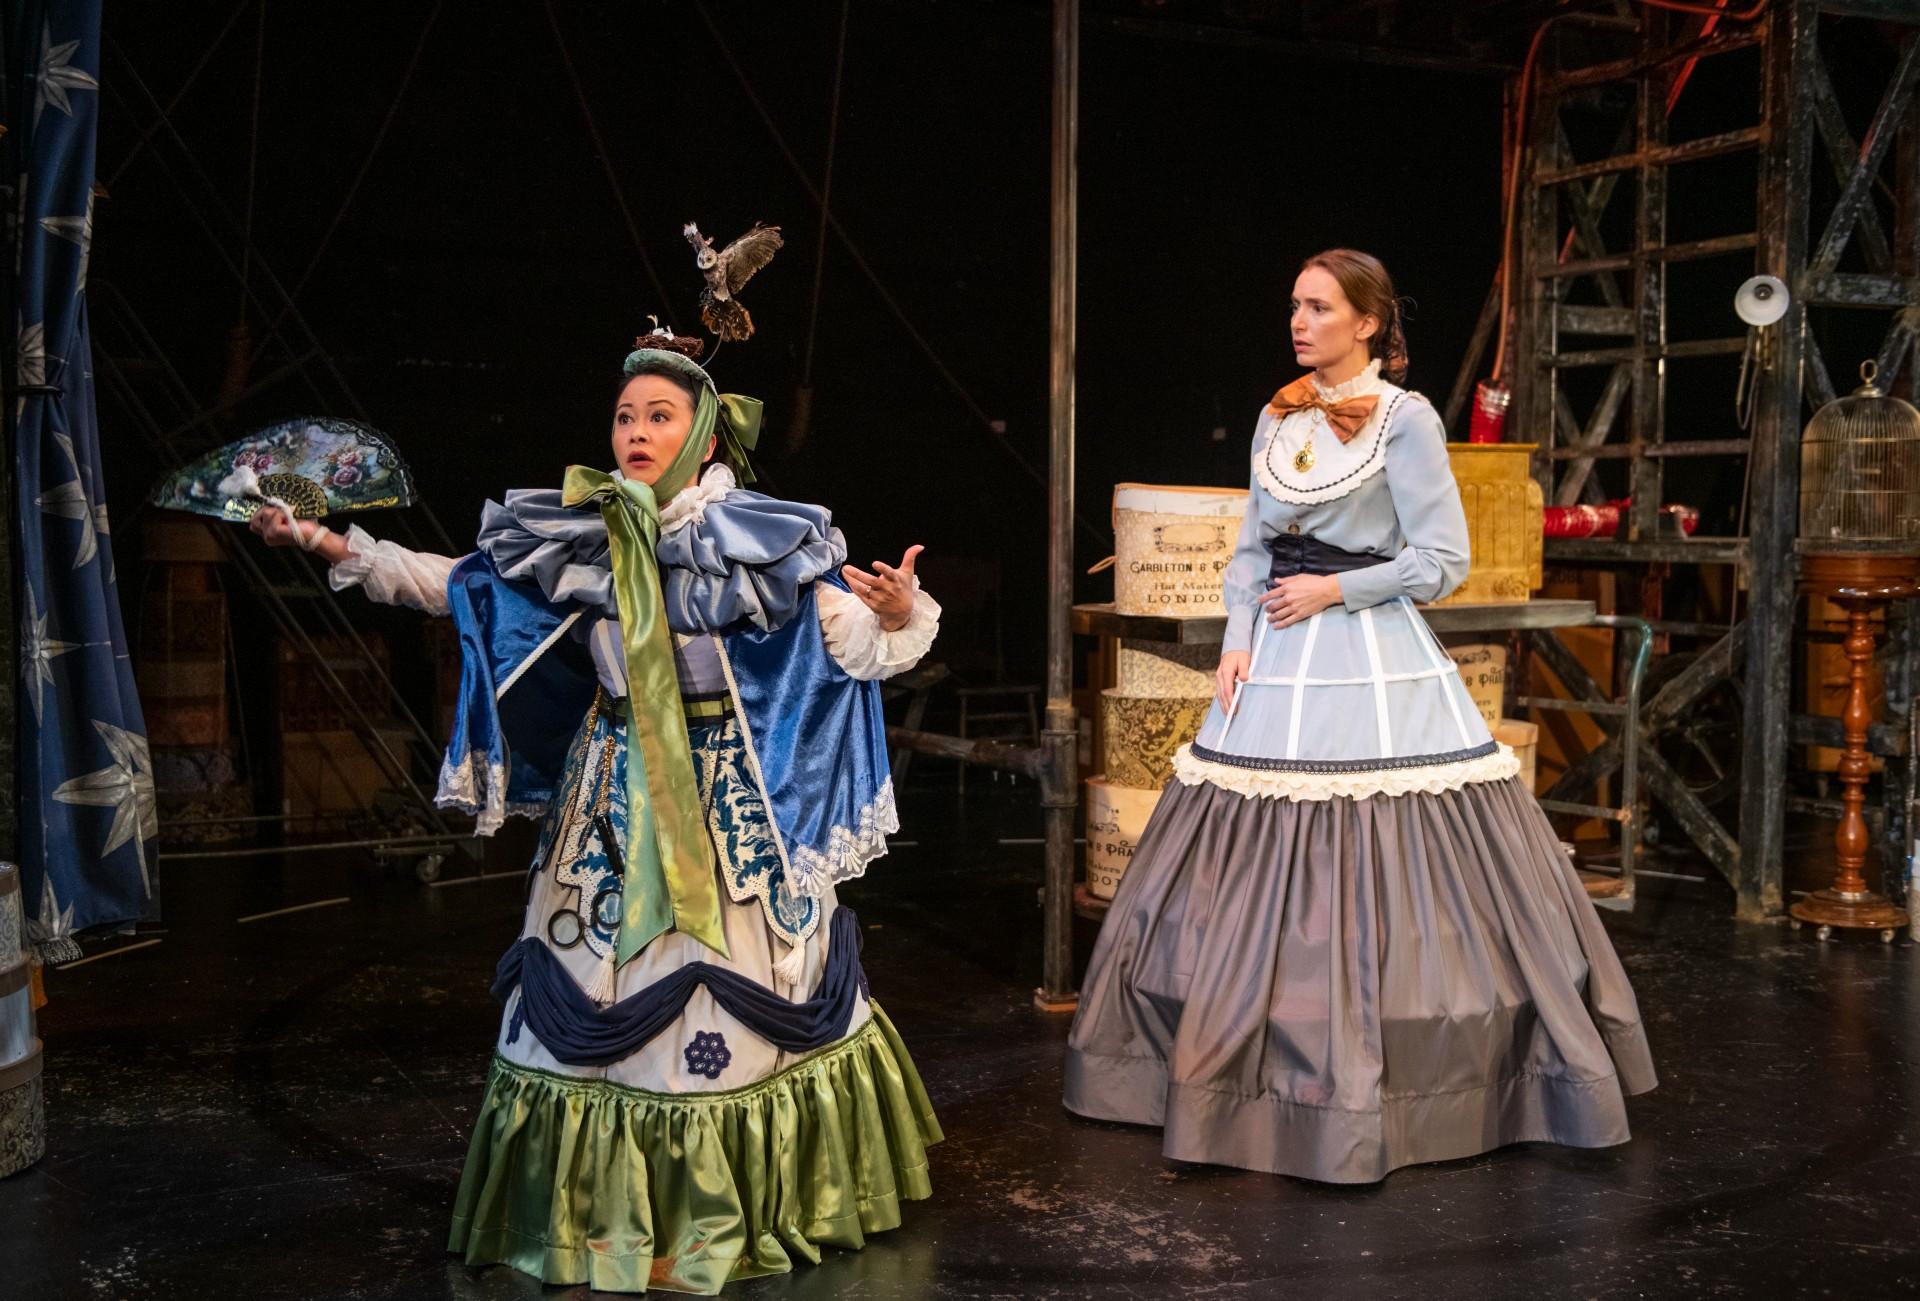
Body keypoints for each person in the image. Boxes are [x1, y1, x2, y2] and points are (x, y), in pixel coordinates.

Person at [253, 329, 943, 1292]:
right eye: (625, 416)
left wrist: (901, 611)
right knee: (594, 974)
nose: (636, 432)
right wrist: (327, 540)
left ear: (703, 437)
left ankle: (728, 1207)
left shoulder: (752, 541)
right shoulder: (579, 536)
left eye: (659, 416)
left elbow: (854, 638)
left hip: (722, 805)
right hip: (612, 792)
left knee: (730, 1000)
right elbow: (455, 587)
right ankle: (597, 1213)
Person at [1062, 249, 1656, 1183]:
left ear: (1368, 322)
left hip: (1369, 645)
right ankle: (1226, 1065)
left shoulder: (1404, 419)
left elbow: (1440, 559)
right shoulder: (1279, 413)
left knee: (1387, 833)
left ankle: (1418, 1074)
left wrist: (1336, 589)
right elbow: (1253, 544)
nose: (1299, 322)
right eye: (1294, 305)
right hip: (1274, 654)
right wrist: (1235, 639)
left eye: (1319, 307)